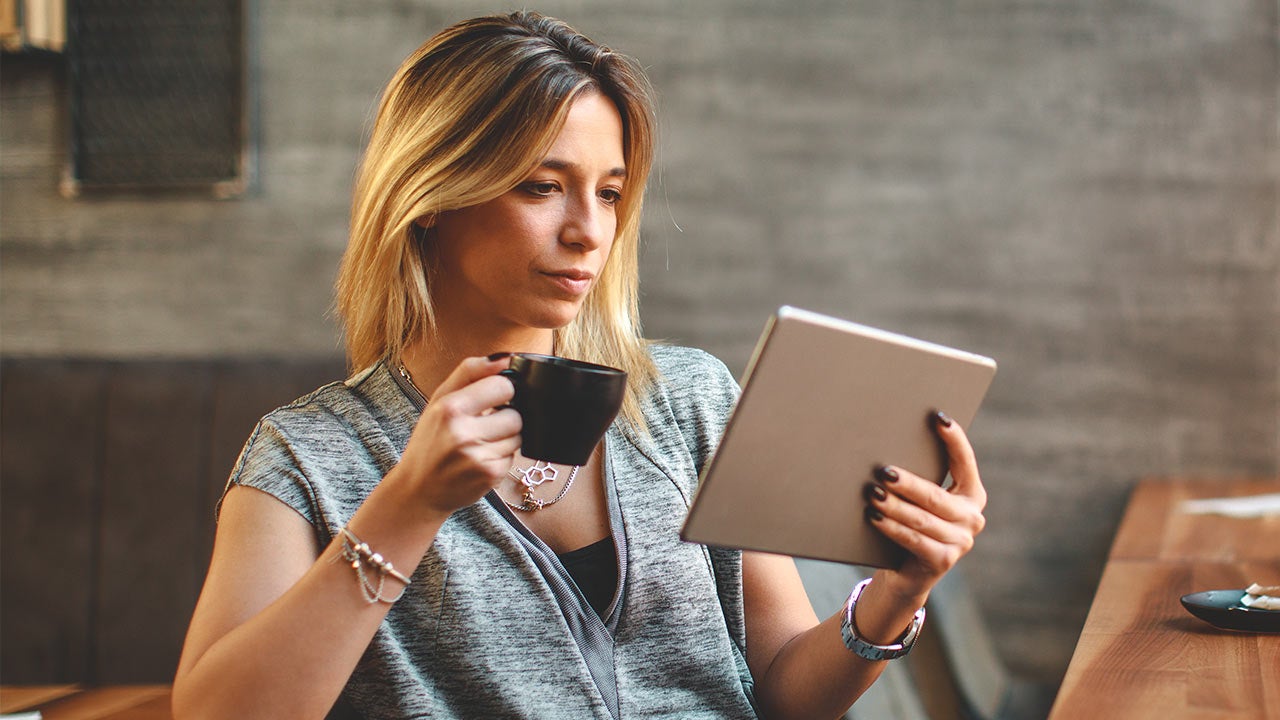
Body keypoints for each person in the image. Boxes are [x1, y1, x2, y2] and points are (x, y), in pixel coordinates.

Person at [172, 10, 987, 720]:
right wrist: (407, 508)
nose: (589, 232)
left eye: (608, 193)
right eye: (541, 187)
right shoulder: (311, 457)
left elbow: (783, 689)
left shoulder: (688, 402)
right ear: (430, 198)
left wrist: (898, 592)